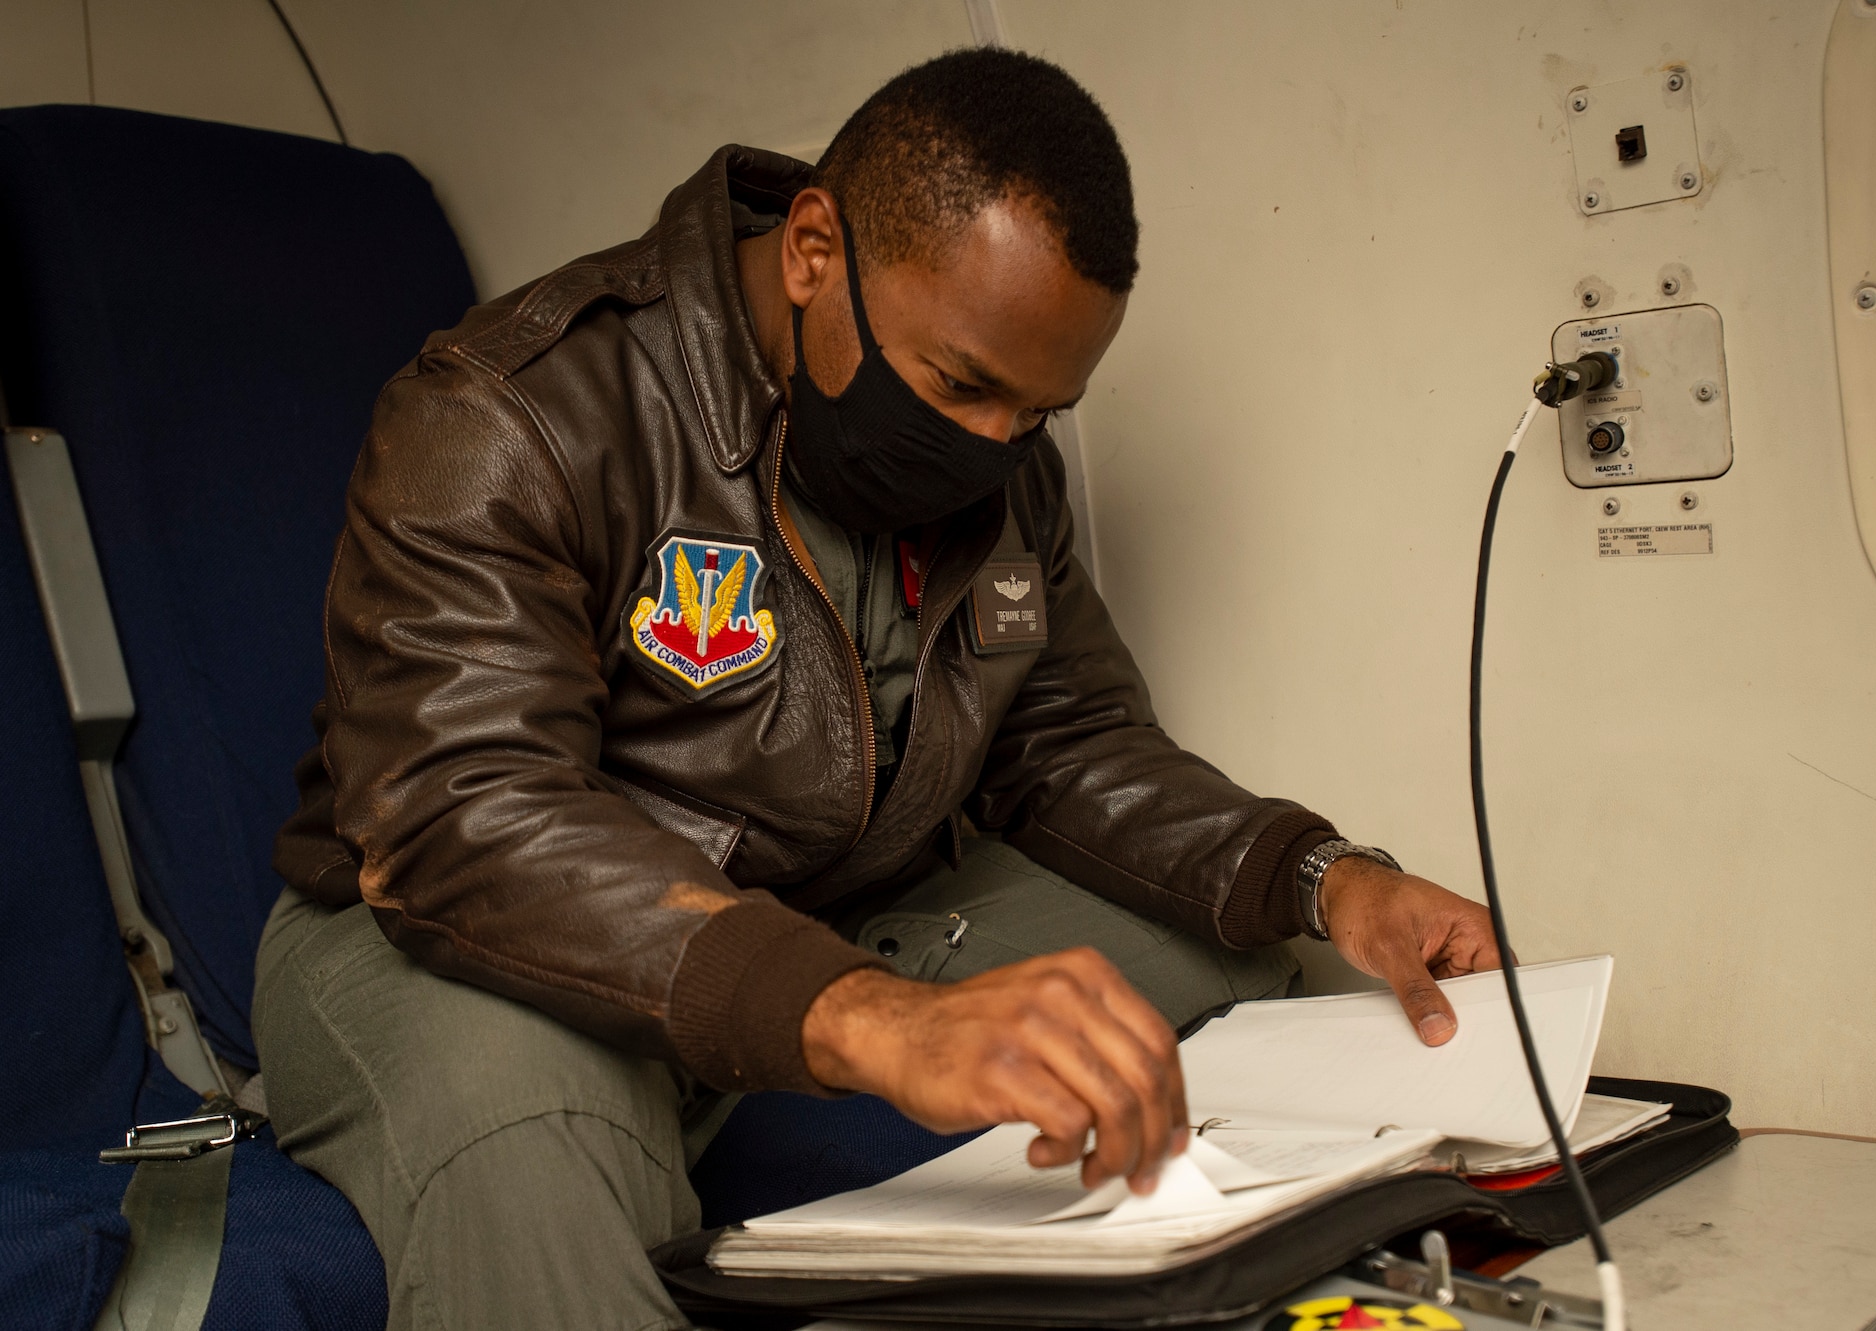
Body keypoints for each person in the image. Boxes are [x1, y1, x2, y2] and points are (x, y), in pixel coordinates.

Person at [253, 46, 1502, 1330]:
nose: (993, 447)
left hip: (817, 906)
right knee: (526, 1140)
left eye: (1036, 412)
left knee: (1204, 940)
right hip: (463, 936)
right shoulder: (509, 414)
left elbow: (1067, 739)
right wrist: (873, 1017)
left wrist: (1326, 878)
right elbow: (466, 813)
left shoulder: (1004, 461)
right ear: (810, 250)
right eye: (961, 384)